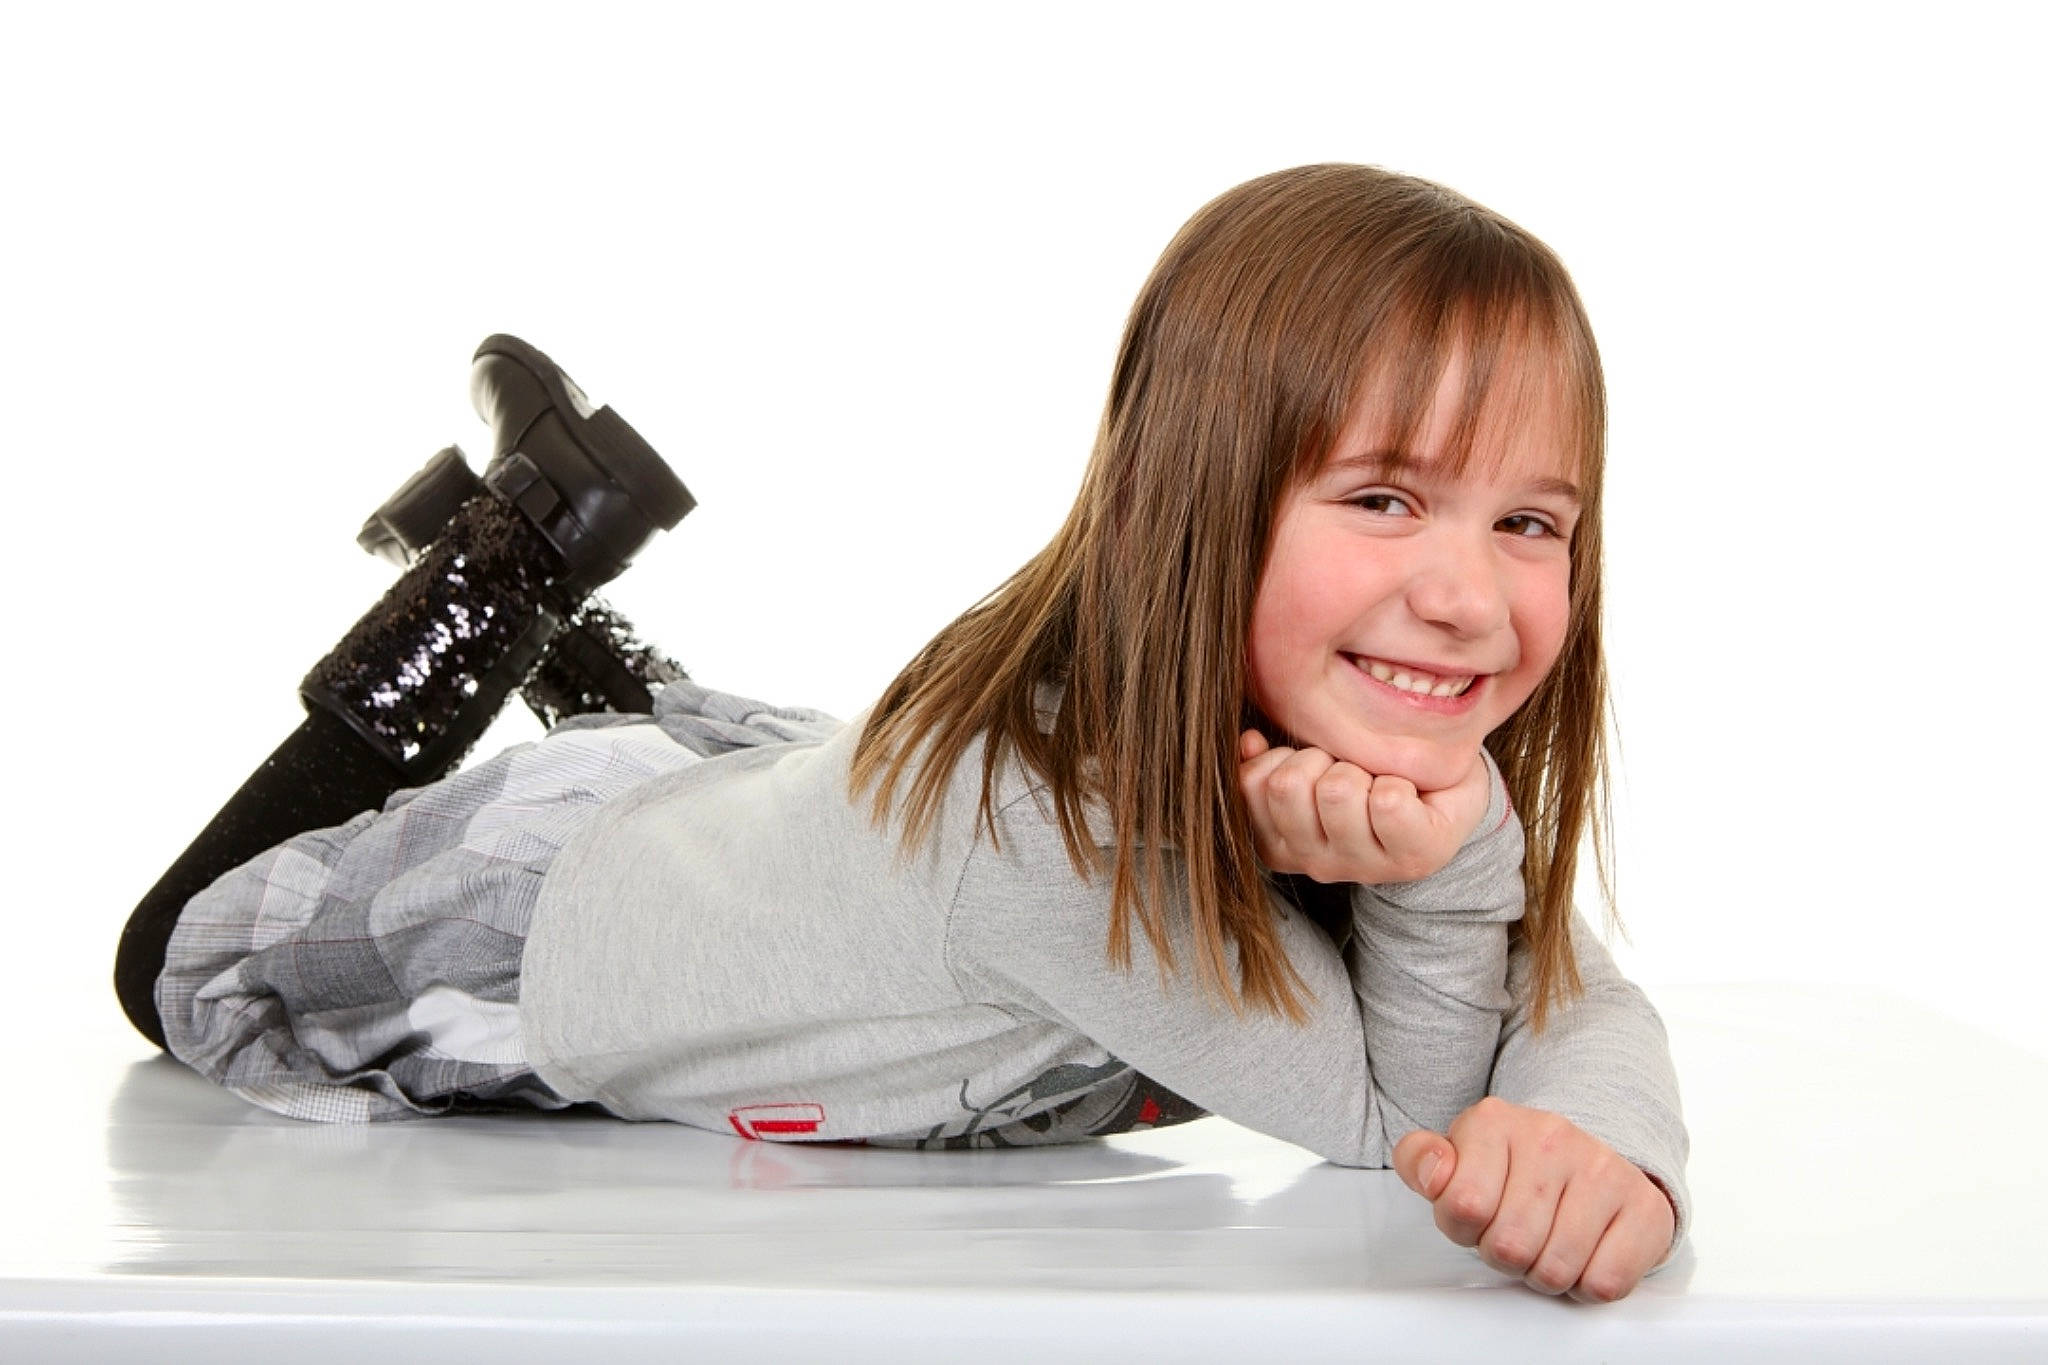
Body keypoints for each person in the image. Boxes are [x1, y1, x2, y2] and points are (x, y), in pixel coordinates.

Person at [127, 164, 1687, 1303]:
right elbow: (1394, 1113)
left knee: (759, 819)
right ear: (1191, 507)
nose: (1472, 595)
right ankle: (503, 567)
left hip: (783, 839)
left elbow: (1545, 967)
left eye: (1533, 521)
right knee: (176, 952)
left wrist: (1607, 1148)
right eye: (1385, 498)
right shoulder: (1057, 852)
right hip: (557, 916)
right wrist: (1463, 844)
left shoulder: (1271, 736)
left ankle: (561, 613)